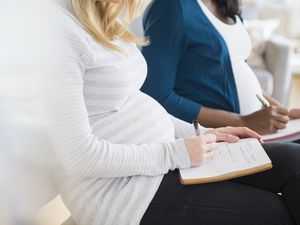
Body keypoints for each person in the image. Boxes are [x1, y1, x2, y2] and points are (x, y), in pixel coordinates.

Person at [6, 0, 300, 225]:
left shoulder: (102, 16)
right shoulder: (57, 33)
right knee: (274, 213)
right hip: (125, 194)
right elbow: (80, 157)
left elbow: (136, 102)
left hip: (162, 162)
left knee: (294, 161)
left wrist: (204, 134)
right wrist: (176, 154)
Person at [141, 0, 300, 135]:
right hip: (218, 137)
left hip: (255, 130)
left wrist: (282, 114)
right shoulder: (171, 7)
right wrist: (243, 122)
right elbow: (157, 95)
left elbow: (240, 79)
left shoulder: (229, 6)